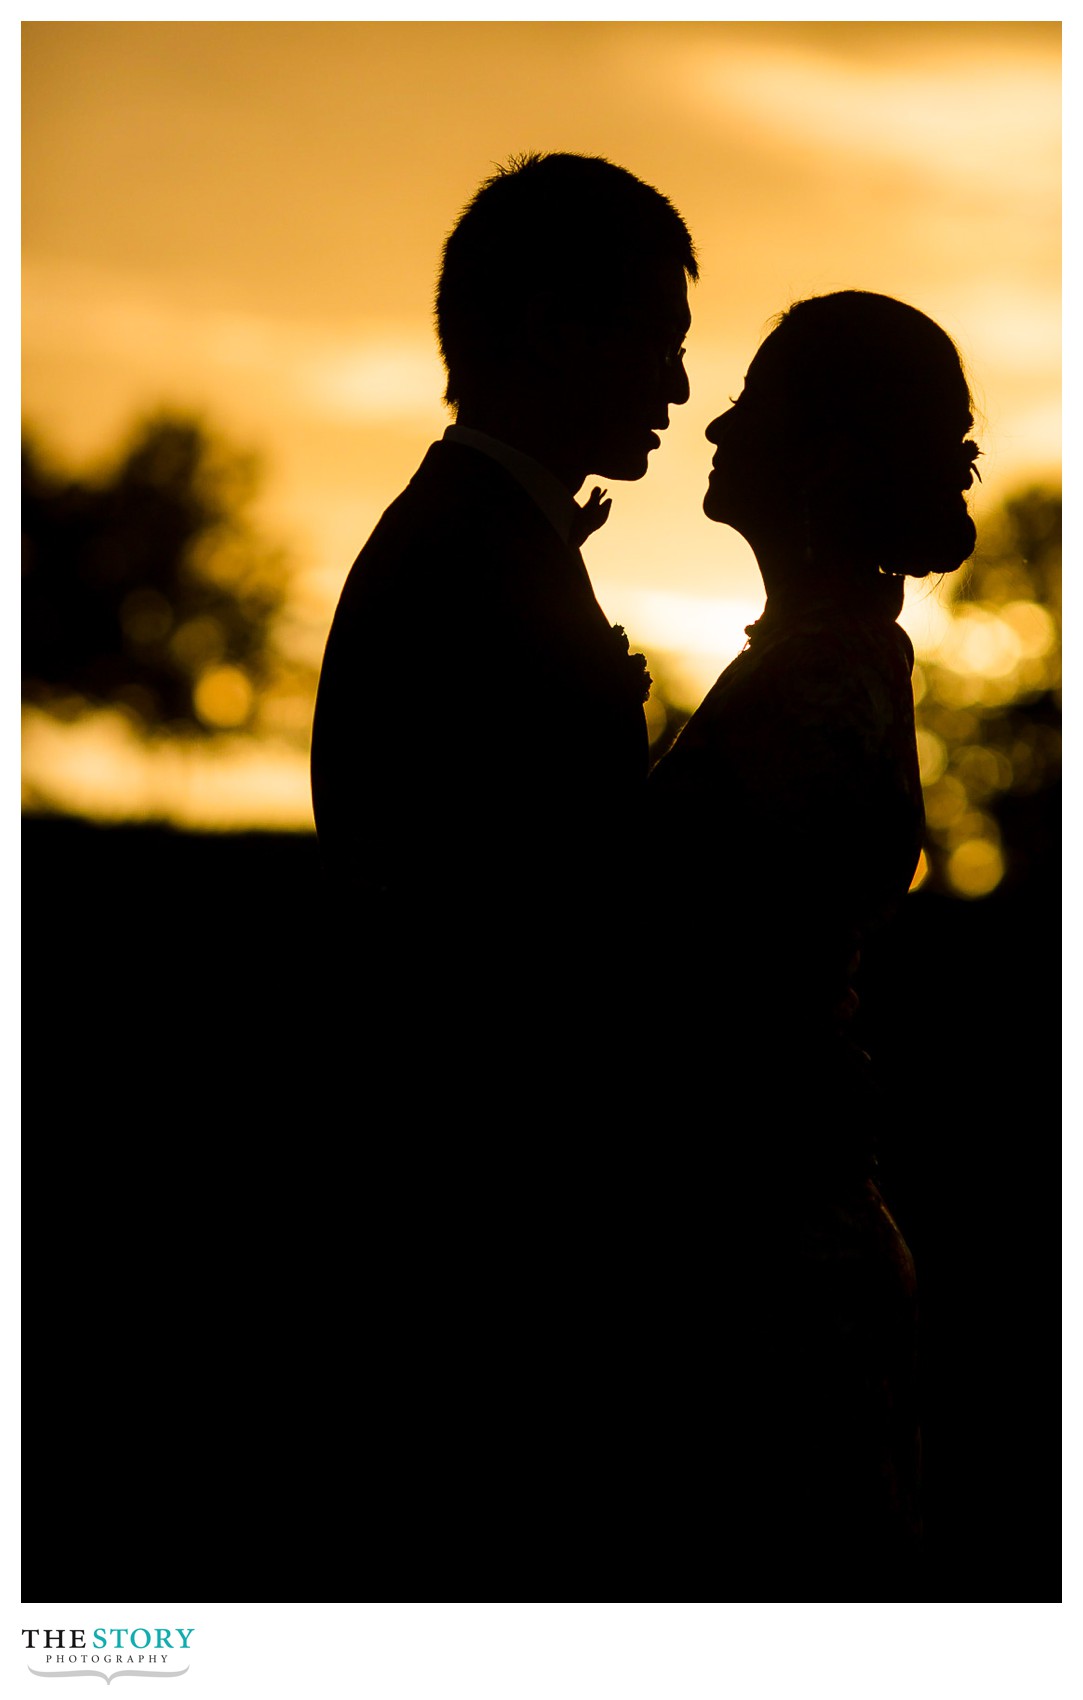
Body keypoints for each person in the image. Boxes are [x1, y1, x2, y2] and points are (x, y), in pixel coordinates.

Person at [646, 290, 982, 1597]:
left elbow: (672, 965)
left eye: (756, 402)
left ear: (824, 458)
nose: (716, 422)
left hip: (770, 1286)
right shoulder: (823, 663)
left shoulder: (817, 687)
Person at [310, 151, 695, 1111]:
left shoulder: (474, 535)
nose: (680, 390)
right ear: (552, 329)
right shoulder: (469, 563)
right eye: (659, 343)